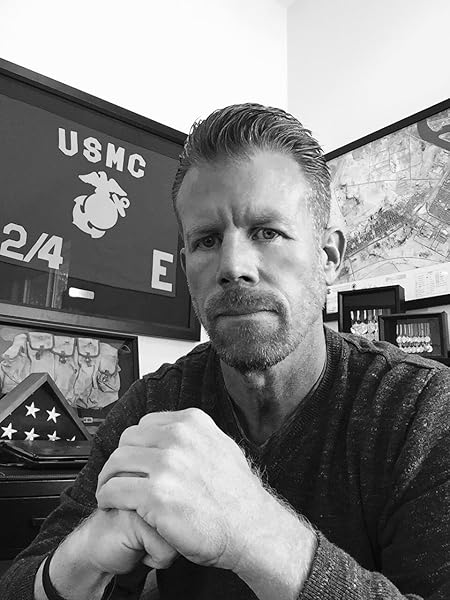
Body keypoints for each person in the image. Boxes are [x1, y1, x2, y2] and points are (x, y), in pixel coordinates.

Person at [1, 103, 449, 600]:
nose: (233, 266)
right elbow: (22, 582)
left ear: (329, 257)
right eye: (207, 240)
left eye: (267, 232)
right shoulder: (153, 405)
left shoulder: (421, 410)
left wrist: (254, 530)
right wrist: (85, 556)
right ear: (186, 266)